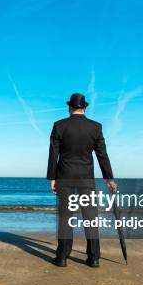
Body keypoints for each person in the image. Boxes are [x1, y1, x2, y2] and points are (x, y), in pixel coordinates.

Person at [47, 93, 117, 267]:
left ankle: (62, 256)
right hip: (86, 178)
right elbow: (102, 155)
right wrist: (109, 179)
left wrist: (52, 177)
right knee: (90, 218)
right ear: (84, 107)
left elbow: (53, 155)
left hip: (64, 177)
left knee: (65, 217)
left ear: (70, 107)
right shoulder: (95, 127)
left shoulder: (59, 126)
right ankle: (93, 258)